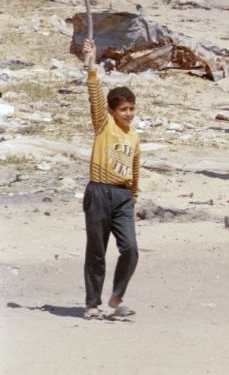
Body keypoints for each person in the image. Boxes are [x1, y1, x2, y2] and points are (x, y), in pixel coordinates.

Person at [80, 39, 139, 320]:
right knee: (97, 251)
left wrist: (133, 196)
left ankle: (116, 296)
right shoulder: (104, 125)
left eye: (131, 108)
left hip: (123, 196)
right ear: (113, 111)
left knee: (130, 248)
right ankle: (93, 303)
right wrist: (91, 64)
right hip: (98, 192)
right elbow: (94, 96)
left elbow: (135, 168)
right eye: (123, 109)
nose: (128, 114)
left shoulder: (134, 137)